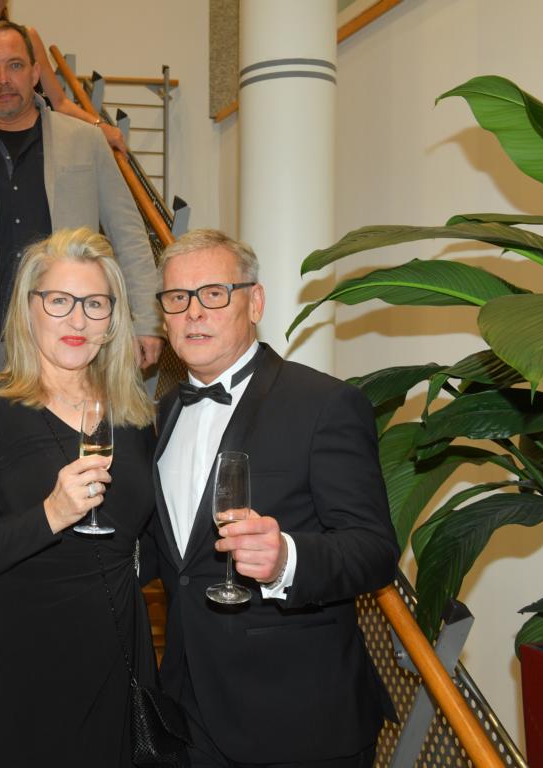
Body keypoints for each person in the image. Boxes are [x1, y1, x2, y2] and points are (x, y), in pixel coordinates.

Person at [145, 229, 399, 768]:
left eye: (214, 293)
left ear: (254, 303)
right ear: (164, 317)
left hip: (298, 719)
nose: (194, 312)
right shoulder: (163, 414)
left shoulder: (325, 403)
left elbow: (374, 550)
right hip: (189, 711)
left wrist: (287, 558)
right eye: (177, 298)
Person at [0, 227, 157, 768]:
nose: (78, 320)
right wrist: (50, 515)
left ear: (113, 319)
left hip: (116, 657)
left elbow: (149, 539)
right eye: (59, 301)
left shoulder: (134, 416)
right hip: (18, 669)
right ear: (29, 309)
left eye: (95, 303)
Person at [0, 21, 161, 375]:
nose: (3, 79)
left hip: (75, 341)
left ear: (34, 73)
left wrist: (147, 321)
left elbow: (130, 236)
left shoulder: (87, 142)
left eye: (14, 65)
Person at [0, 0, 127, 152]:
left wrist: (99, 126)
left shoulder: (27, 37)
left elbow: (60, 101)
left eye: (14, 65)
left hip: (23, 144)